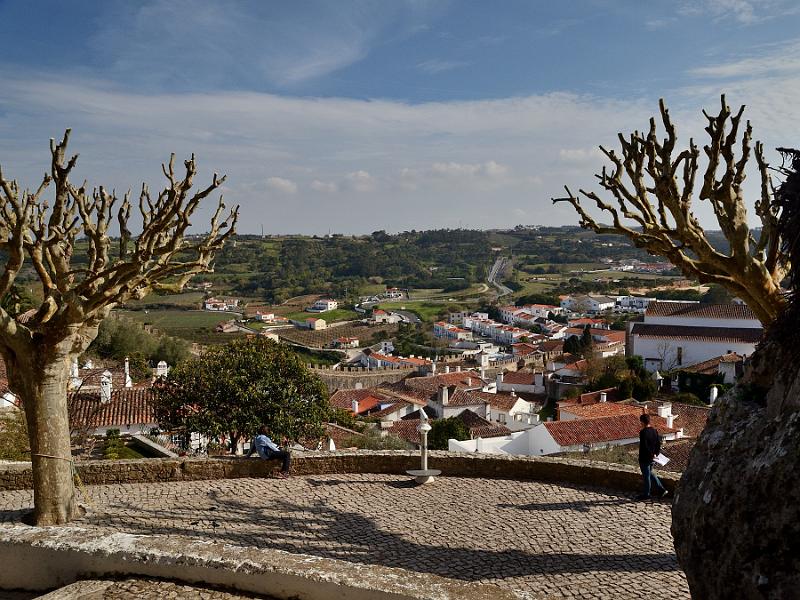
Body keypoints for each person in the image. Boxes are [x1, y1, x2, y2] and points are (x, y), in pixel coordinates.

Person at [637, 413, 667, 500]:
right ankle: (661, 490)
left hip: (645, 457)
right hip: (653, 457)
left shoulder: (643, 432)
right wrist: (655, 454)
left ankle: (646, 494)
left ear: (642, 422)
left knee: (646, 476)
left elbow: (644, 446)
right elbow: (658, 444)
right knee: (650, 473)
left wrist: (650, 454)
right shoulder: (654, 431)